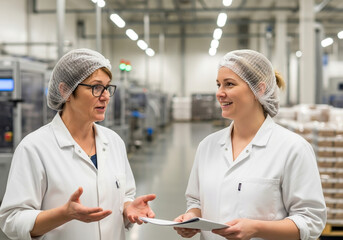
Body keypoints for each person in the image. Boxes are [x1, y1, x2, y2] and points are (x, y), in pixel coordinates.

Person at [0, 48, 156, 240]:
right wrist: (64, 214)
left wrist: (127, 207)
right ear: (65, 91)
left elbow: (125, 195)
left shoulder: (114, 142)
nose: (106, 96)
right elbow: (12, 220)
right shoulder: (34, 148)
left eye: (107, 87)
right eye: (96, 87)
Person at [174, 49, 326, 240]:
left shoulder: (293, 148)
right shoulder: (208, 146)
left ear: (259, 89)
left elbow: (311, 221)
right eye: (219, 84)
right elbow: (195, 200)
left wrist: (257, 228)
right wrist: (192, 217)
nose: (220, 93)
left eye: (229, 84)